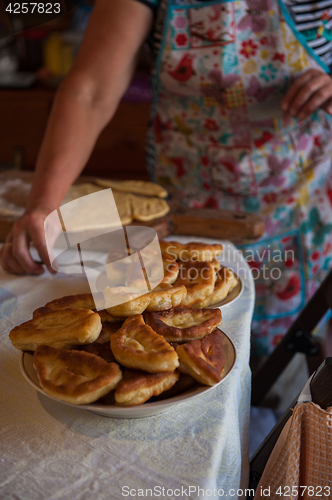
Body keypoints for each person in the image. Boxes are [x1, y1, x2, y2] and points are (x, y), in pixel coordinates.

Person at [1, 0, 332, 356]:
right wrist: (43, 205)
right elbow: (90, 91)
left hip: (297, 201)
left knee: (289, 354)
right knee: (176, 336)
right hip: (184, 208)